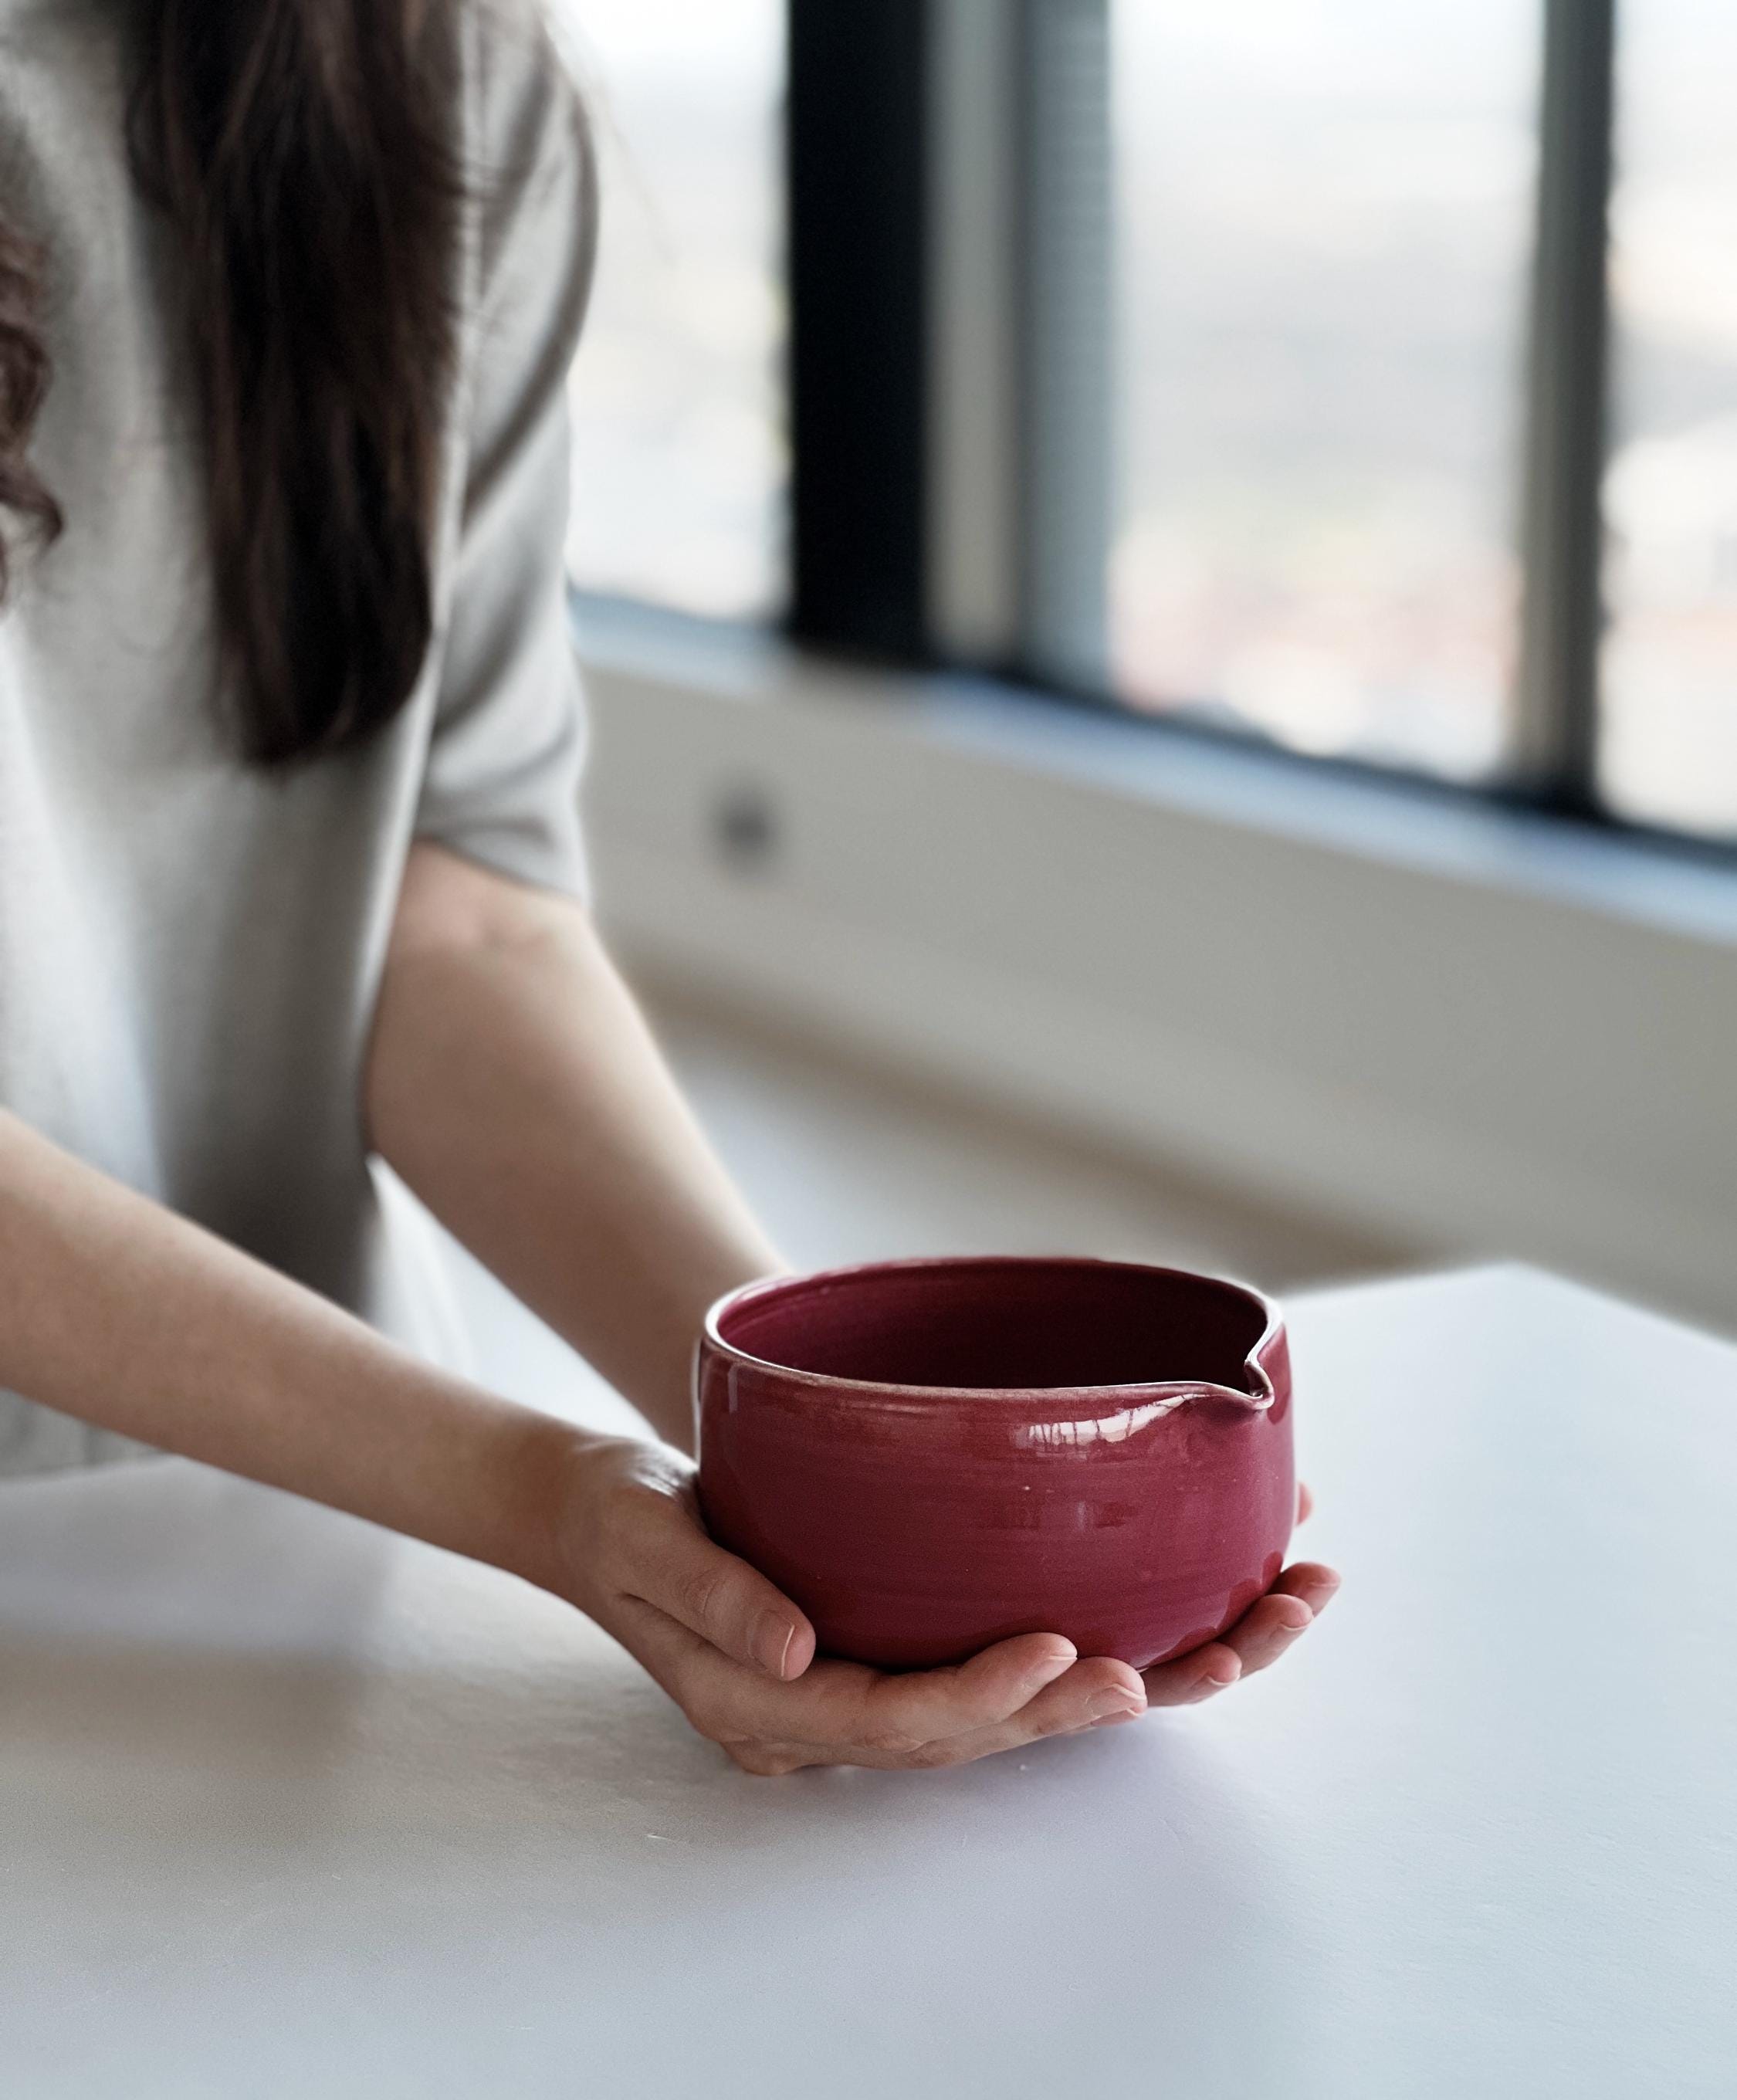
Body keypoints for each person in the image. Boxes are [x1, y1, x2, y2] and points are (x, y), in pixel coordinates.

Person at [0, 0, 1336, 1775]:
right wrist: (538, 1495)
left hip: (292, 1529)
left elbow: (450, 909)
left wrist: (831, 1454)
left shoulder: (434, 78)